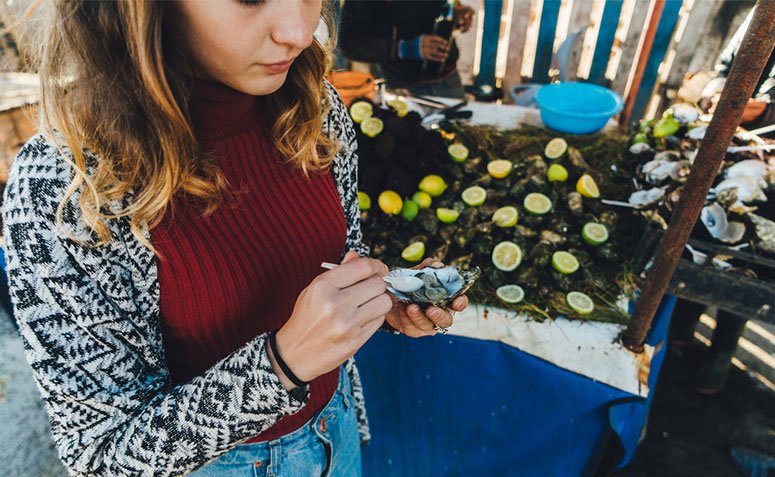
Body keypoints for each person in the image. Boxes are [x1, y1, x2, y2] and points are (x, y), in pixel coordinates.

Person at [2, 1, 468, 476]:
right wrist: (280, 367)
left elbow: (336, 256)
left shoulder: (314, 104)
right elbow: (99, 456)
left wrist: (379, 301)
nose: (301, 33)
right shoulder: (62, 187)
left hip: (336, 428)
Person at [339, 0, 474, 99]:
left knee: (461, 132)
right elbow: (350, 44)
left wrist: (454, 13)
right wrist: (402, 49)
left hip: (448, 78)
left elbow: (444, 5)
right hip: (401, 85)